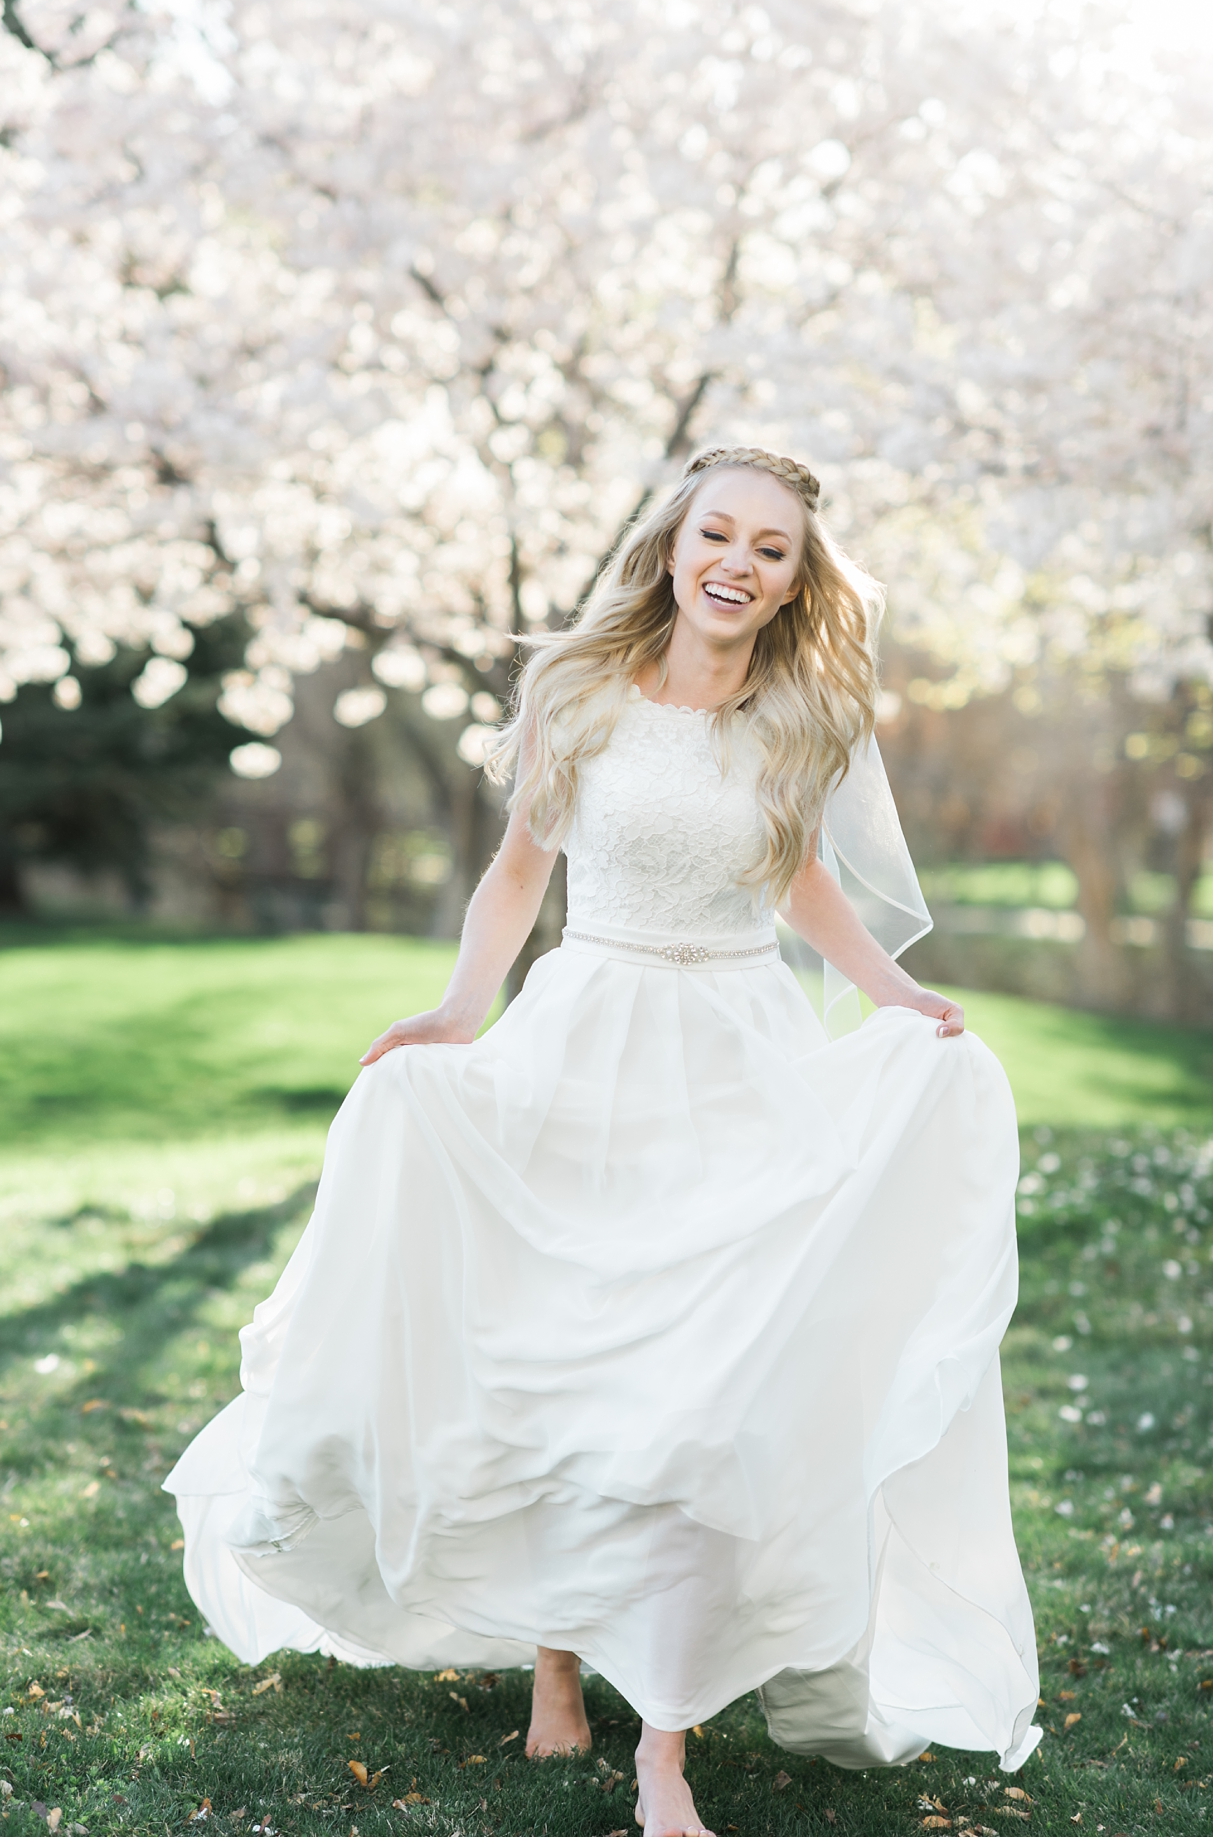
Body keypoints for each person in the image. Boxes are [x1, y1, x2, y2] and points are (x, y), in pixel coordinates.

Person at [163, 448, 1041, 1838]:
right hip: (589, 1029)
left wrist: (896, 995)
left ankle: (665, 1747)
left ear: (796, 578)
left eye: (772, 549)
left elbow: (803, 878)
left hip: (736, 1045)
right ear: (675, 542)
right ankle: (556, 1657)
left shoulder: (802, 712)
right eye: (720, 534)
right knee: (555, 1349)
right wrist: (460, 1008)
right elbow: (522, 865)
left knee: (704, 1386)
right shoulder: (574, 687)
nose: (740, 564)